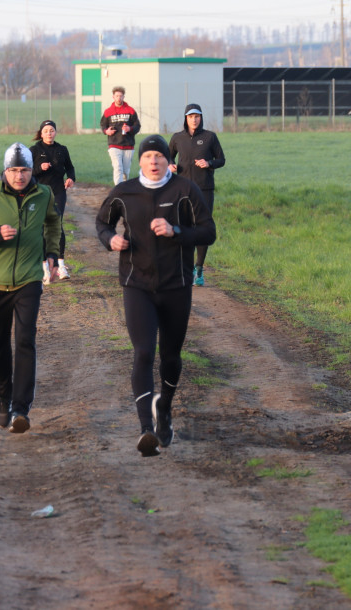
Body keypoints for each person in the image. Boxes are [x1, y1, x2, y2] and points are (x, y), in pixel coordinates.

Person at [95, 135, 216, 456]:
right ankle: (145, 429)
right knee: (144, 353)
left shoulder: (185, 190)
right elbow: (102, 223)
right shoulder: (125, 192)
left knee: (171, 357)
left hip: (177, 285)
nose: (153, 161)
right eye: (147, 156)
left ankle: (164, 408)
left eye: (158, 156)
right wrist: (111, 240)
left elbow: (208, 231)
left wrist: (176, 231)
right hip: (137, 285)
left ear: (167, 160)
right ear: (140, 160)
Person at [0, 143, 63, 434]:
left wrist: (52, 254)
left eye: (25, 170)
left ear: (32, 171)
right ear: (5, 171)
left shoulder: (43, 194)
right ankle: (4, 396)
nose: (20, 176)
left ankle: (21, 408)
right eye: (14, 170)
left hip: (29, 280)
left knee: (25, 341)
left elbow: (53, 223)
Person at [168, 103, 226, 287]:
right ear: (186, 118)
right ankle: (187, 268)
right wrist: (170, 165)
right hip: (183, 190)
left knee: (202, 228)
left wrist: (209, 163)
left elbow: (221, 160)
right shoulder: (178, 138)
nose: (194, 119)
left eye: (197, 116)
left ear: (201, 118)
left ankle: (199, 269)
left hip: (204, 189)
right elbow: (167, 156)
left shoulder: (210, 137)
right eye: (191, 116)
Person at [30, 119, 76, 283]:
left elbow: (70, 167)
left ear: (55, 132)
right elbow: (28, 172)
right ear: (41, 133)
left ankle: (61, 266)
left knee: (56, 224)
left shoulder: (62, 149)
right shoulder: (34, 150)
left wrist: (71, 178)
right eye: (46, 131)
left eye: (52, 130)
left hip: (58, 191)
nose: (49, 133)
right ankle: (45, 269)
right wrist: (38, 168)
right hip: (40, 193)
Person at [100, 86, 141, 185]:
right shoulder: (108, 112)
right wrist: (106, 131)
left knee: (125, 172)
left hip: (128, 145)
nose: (119, 98)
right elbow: (103, 125)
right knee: (118, 167)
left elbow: (137, 126)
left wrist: (129, 129)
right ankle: (118, 191)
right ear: (113, 97)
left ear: (124, 97)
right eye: (117, 96)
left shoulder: (130, 111)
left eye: (121, 96)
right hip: (114, 145)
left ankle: (125, 189)